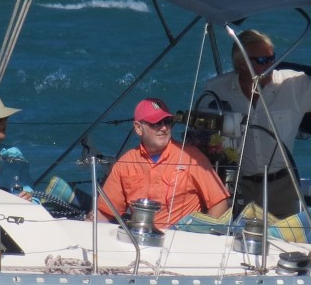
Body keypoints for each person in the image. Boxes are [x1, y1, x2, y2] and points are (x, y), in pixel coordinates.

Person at [201, 29, 311, 217]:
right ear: (241, 63)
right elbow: (201, 135)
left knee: (287, 243)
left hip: (281, 186)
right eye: (262, 61)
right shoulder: (216, 89)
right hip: (237, 185)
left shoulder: (294, 84)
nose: (270, 65)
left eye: (272, 59)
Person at [96, 97, 230, 230]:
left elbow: (219, 202)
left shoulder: (192, 157)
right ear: (138, 128)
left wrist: (203, 236)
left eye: (167, 121)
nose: (164, 127)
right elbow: (106, 212)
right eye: (156, 123)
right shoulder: (125, 163)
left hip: (181, 241)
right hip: (140, 238)